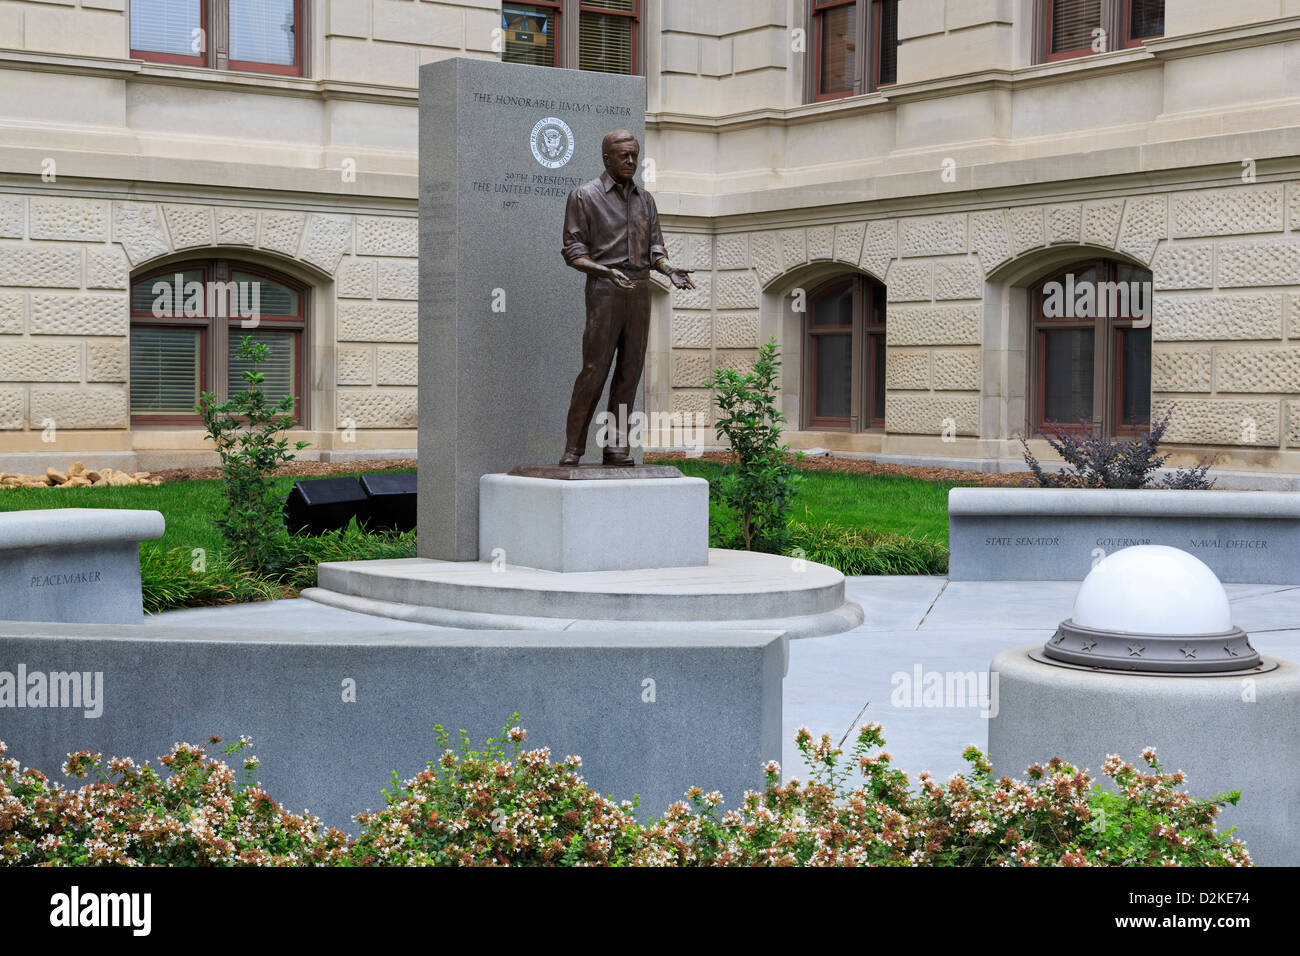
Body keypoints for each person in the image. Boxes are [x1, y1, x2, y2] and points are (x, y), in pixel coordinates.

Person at [558, 129, 696, 467]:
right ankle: (573, 449)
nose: (632, 161)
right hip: (605, 291)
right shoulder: (584, 196)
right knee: (594, 369)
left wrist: (667, 269)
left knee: (630, 370)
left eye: (635, 155)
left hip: (639, 291)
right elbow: (573, 252)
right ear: (607, 158)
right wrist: (605, 272)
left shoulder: (645, 200)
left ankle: (616, 447)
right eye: (625, 155)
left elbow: (654, 248)